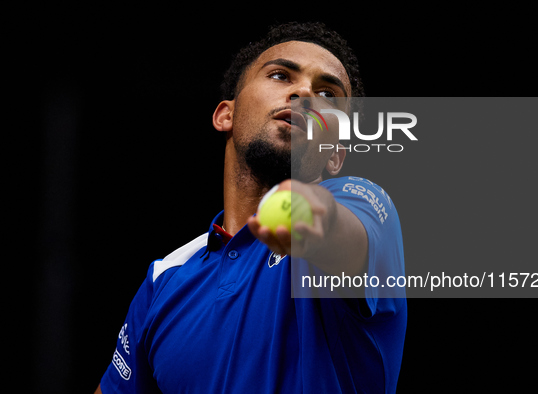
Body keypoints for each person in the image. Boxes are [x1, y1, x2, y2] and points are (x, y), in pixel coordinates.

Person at [96, 21, 406, 393]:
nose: (305, 92)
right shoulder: (164, 278)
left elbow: (347, 236)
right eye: (280, 75)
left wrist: (314, 217)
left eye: (328, 94)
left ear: (336, 155)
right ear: (225, 114)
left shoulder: (365, 203)